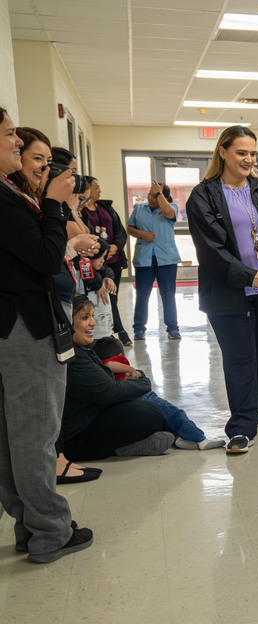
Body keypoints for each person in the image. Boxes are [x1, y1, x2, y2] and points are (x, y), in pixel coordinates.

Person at [0, 106, 93, 563]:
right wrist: (55, 205)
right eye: (9, 134)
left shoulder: (10, 192)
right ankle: (50, 532)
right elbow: (43, 256)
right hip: (25, 325)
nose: (17, 143)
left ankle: (30, 524)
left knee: (12, 436)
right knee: (35, 433)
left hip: (14, 322)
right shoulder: (5, 198)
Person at [186, 126, 258, 454]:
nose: (249, 159)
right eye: (241, 152)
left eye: (253, 153)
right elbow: (211, 249)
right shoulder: (203, 195)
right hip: (227, 291)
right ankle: (241, 427)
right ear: (223, 152)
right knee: (239, 357)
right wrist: (251, 277)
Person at [62, 296, 175, 460]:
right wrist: (143, 381)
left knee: (148, 410)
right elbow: (110, 391)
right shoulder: (75, 357)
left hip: (88, 420)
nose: (93, 323)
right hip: (75, 438)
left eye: (92, 316)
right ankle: (122, 448)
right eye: (85, 318)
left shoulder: (80, 350)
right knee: (149, 416)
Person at [92, 336, 225, 451]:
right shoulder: (116, 361)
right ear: (120, 355)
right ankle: (200, 439)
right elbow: (109, 365)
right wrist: (131, 369)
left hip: (130, 402)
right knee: (175, 414)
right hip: (143, 397)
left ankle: (179, 438)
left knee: (165, 418)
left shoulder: (98, 369)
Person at [127, 180, 180, 340]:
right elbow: (130, 228)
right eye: (150, 194)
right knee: (142, 294)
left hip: (167, 259)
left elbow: (169, 213)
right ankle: (139, 329)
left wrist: (159, 194)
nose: (150, 197)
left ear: (163, 196)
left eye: (154, 195)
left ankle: (173, 328)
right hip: (144, 259)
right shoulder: (139, 209)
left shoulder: (171, 208)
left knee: (168, 295)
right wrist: (141, 234)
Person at [81, 176, 130, 346]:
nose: (100, 191)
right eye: (96, 188)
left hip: (113, 259)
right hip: (94, 260)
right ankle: (102, 333)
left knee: (112, 296)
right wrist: (101, 253)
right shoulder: (81, 211)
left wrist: (115, 246)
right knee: (97, 297)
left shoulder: (106, 207)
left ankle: (116, 330)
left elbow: (120, 231)